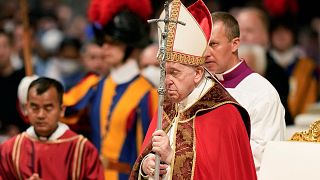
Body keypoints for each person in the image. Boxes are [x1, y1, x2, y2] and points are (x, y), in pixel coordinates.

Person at [130, 1, 257, 179]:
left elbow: (222, 174)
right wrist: (145, 166)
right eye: (164, 72)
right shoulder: (168, 106)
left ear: (198, 73)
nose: (167, 81)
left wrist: (171, 157)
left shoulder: (224, 113)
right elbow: (145, 156)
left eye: (174, 72)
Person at [64, 0, 158, 179]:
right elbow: (62, 108)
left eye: (114, 42)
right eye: (103, 42)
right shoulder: (95, 84)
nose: (105, 48)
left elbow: (146, 149)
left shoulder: (147, 93)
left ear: (130, 46)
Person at [204, 12, 286, 177]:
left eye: (213, 44)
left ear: (235, 44)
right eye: (203, 45)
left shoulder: (262, 92)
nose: (206, 53)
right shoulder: (198, 87)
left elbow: (265, 156)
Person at [0, 77, 104, 180]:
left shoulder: (82, 150)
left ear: (62, 110)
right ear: (26, 108)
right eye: (34, 107)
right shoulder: (10, 150)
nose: (40, 115)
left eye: (48, 108)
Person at [235, 7, 293, 125]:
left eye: (249, 30)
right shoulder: (219, 70)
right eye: (238, 31)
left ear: (266, 35)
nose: (243, 36)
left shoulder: (277, 72)